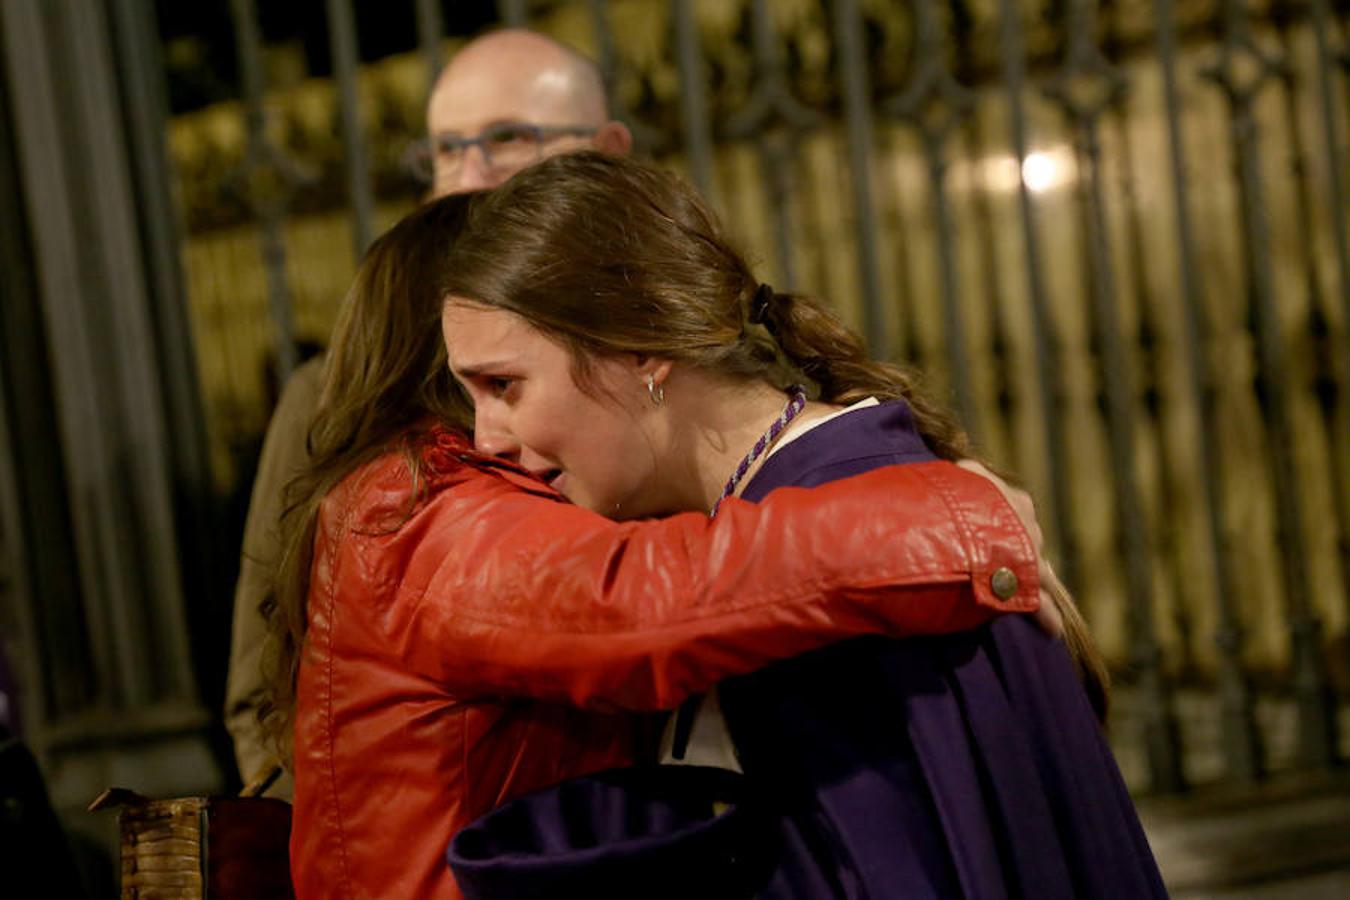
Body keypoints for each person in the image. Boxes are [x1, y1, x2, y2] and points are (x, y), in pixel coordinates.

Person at [273, 190, 1045, 899]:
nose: (491, 423)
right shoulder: (419, 504)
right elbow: (632, 602)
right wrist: (939, 520)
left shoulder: (432, 490)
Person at [437, 153, 1160, 898]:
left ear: (638, 348)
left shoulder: (829, 577)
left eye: (504, 386)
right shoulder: (820, 521)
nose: (486, 436)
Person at [225, 28, 633, 793]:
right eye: (447, 149)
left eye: (508, 138)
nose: (469, 174)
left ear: (607, 150)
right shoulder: (341, 383)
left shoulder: (658, 342)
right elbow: (265, 677)